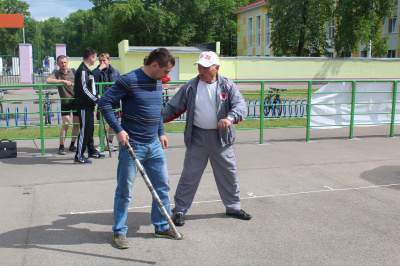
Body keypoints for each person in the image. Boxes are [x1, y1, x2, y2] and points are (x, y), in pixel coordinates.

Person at [98, 48, 183, 249]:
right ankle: (119, 232)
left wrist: (161, 131)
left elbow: (156, 110)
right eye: (166, 71)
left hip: (154, 145)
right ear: (155, 65)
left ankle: (162, 226)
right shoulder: (129, 80)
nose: (167, 76)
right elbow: (104, 102)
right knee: (124, 190)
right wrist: (118, 129)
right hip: (132, 145)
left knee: (162, 186)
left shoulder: (156, 80)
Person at [162, 51, 252, 227]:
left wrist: (229, 118)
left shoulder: (228, 86)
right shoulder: (191, 86)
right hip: (197, 138)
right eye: (199, 67)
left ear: (216, 68)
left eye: (205, 67)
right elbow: (173, 108)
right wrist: (154, 120)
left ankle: (233, 207)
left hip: (222, 139)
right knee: (189, 175)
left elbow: (241, 106)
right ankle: (179, 210)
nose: (201, 71)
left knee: (228, 173)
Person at [73, 47, 105, 164]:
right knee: (84, 130)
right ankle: (79, 155)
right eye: (95, 57)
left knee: (90, 128)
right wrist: (95, 99)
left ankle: (91, 150)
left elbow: (91, 87)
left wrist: (96, 95)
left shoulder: (87, 70)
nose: (96, 60)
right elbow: (84, 89)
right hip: (84, 105)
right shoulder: (82, 70)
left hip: (89, 105)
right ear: (91, 57)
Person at [46, 55, 79, 155]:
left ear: (67, 62)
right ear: (58, 64)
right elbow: (48, 80)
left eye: (65, 62)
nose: (63, 64)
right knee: (66, 124)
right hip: (65, 102)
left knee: (76, 124)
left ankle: (73, 144)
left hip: (76, 101)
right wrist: (63, 81)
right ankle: (61, 146)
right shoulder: (56, 73)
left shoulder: (73, 71)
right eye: (61, 63)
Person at [92, 53, 121, 152]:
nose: (102, 62)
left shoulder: (115, 72)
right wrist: (97, 95)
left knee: (113, 122)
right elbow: (92, 81)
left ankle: (110, 142)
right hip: (102, 100)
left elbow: (119, 86)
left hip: (114, 101)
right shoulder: (96, 71)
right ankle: (101, 143)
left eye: (104, 60)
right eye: (100, 60)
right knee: (101, 122)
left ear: (109, 60)